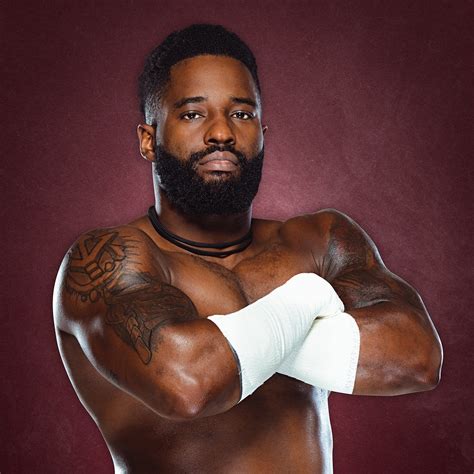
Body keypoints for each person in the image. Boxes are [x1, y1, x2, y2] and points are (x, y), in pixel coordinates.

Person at [53, 24, 443, 473]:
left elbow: (419, 358)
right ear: (148, 139)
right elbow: (188, 384)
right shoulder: (109, 258)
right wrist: (312, 296)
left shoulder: (320, 240)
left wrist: (234, 340)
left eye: (241, 114)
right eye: (192, 114)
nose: (221, 132)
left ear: (262, 132)